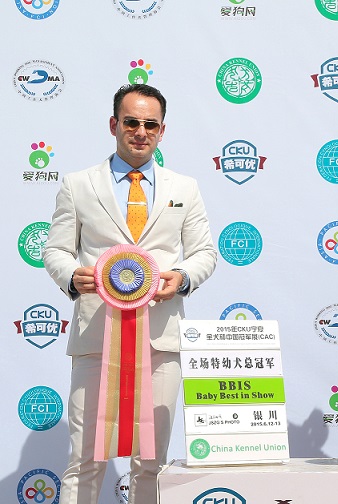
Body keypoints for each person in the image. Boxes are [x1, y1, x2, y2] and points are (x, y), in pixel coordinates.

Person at [43, 84, 217, 504]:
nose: (141, 131)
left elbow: (204, 253)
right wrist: (72, 276)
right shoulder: (77, 184)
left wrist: (182, 276)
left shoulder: (185, 188)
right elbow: (55, 250)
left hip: (160, 340)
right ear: (114, 124)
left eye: (150, 124)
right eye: (131, 122)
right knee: (85, 458)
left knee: (151, 462)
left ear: (162, 130)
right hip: (95, 337)